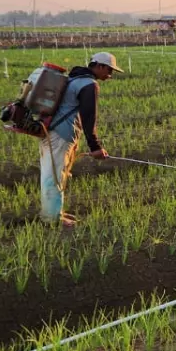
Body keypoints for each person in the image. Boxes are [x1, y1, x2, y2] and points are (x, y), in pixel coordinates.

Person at [36, 52, 121, 227]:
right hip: (60, 135)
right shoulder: (89, 84)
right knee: (54, 176)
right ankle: (52, 219)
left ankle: (53, 212)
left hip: (51, 132)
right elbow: (89, 117)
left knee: (54, 174)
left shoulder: (74, 79)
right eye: (109, 70)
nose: (110, 75)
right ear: (99, 66)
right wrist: (95, 146)